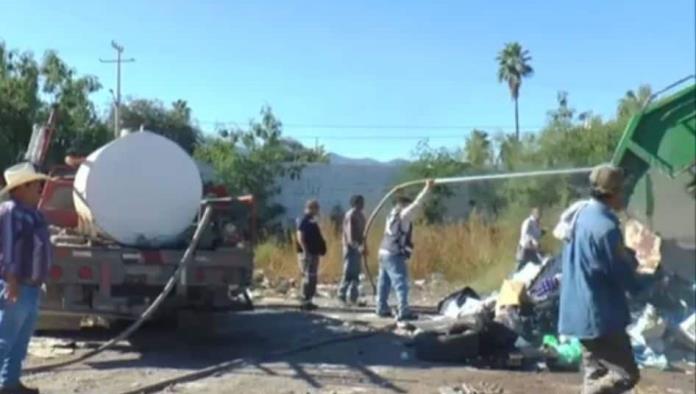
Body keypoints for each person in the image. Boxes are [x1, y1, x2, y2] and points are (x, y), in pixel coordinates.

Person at [559, 164, 653, 394]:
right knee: (626, 374)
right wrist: (646, 285)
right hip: (600, 316)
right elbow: (619, 271)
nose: (625, 195)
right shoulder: (605, 227)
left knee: (596, 373)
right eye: (623, 190)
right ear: (613, 192)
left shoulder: (580, 215)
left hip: (577, 313)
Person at [0, 162, 52, 394]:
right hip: (17, 285)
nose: (39, 188)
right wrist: (11, 281)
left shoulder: (33, 214)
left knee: (19, 342)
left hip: (30, 286)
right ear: (20, 188)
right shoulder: (11, 212)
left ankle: (10, 384)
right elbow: (9, 249)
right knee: (4, 339)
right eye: (34, 185)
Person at [376, 180, 435, 321]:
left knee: (384, 282)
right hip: (393, 253)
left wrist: (399, 191)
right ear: (404, 205)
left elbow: (402, 201)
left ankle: (381, 307)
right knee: (400, 282)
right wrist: (428, 188)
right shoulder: (403, 215)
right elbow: (417, 204)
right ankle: (403, 311)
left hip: (383, 251)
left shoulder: (391, 214)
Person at [295, 199, 326, 310]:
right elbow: (300, 236)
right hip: (307, 254)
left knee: (312, 277)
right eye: (316, 208)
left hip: (314, 253)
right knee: (307, 277)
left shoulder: (312, 221)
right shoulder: (304, 220)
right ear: (311, 208)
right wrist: (305, 251)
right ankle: (304, 300)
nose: (318, 210)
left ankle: (309, 300)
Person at [338, 195, 367, 306]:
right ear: (356, 203)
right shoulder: (351, 215)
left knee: (356, 274)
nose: (363, 204)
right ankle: (341, 295)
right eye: (361, 202)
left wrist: (363, 246)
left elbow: (363, 233)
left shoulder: (361, 215)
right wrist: (356, 246)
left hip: (358, 248)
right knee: (348, 273)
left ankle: (353, 297)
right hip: (350, 248)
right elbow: (350, 235)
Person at [516, 207, 543, 271]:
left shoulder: (536, 223)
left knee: (539, 265)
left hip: (532, 249)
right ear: (534, 214)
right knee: (520, 267)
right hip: (524, 248)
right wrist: (534, 243)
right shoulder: (528, 222)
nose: (540, 216)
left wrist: (542, 232)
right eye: (538, 214)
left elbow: (536, 234)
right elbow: (525, 235)